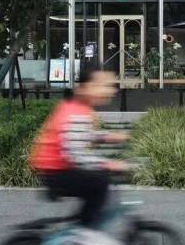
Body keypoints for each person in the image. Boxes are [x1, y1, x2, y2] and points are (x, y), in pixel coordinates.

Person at [29, 67, 128, 239]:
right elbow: (76, 154)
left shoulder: (77, 107)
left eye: (111, 85)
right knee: (101, 181)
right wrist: (108, 164)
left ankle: (83, 227)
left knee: (98, 185)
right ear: (85, 87)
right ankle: (85, 235)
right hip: (57, 172)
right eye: (103, 85)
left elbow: (81, 135)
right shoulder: (76, 113)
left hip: (56, 169)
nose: (110, 90)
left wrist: (108, 137)